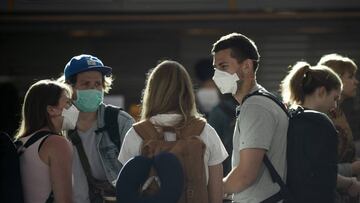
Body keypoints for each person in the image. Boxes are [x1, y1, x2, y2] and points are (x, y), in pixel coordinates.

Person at [118, 60, 228, 203]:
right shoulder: (205, 132)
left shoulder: (135, 134)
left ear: (151, 92)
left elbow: (126, 192)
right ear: (188, 92)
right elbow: (216, 196)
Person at [211, 33, 289, 202]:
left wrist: (212, 191)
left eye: (223, 66)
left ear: (246, 66)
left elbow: (245, 175)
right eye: (215, 68)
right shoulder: (260, 101)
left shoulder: (256, 107)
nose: (217, 75)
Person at [280, 61, 360, 202]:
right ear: (321, 92)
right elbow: (325, 173)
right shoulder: (321, 123)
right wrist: (350, 183)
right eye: (335, 98)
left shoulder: (288, 116)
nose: (335, 106)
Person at [60, 54, 134, 203]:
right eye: (86, 84)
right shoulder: (59, 125)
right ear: (70, 87)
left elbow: (137, 173)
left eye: (98, 84)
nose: (93, 89)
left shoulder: (119, 121)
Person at [16, 79, 74, 203]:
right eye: (68, 103)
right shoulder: (57, 144)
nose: (74, 108)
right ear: (51, 110)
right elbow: (64, 200)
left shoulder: (21, 143)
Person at [318, 54, 360, 202]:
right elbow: (319, 167)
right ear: (337, 79)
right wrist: (353, 168)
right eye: (351, 76)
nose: (356, 82)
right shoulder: (323, 115)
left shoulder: (338, 112)